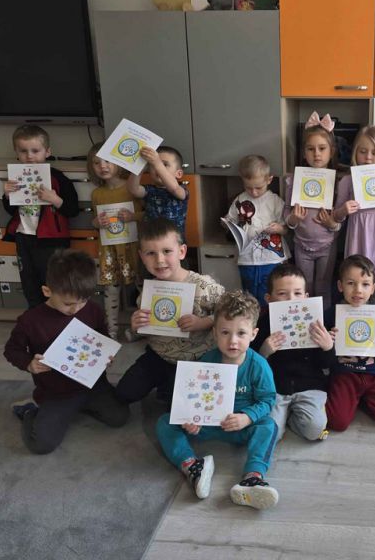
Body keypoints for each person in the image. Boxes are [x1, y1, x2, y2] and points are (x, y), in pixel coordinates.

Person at [155, 290, 280, 509]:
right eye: (225, 332)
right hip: (209, 425)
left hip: (241, 427)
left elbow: (268, 400)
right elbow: (194, 396)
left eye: (241, 333)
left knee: (269, 426)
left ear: (253, 334)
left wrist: (247, 417)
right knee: (165, 422)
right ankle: (192, 466)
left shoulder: (258, 365)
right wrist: (191, 419)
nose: (233, 341)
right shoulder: (208, 360)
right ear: (214, 333)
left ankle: (253, 477)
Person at [4, 249, 129, 454]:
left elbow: (102, 337)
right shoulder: (30, 320)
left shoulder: (93, 310)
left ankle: (80, 407)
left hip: (93, 386)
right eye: (68, 304)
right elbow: (11, 350)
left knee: (120, 417)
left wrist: (106, 356)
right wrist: (29, 363)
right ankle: (29, 410)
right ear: (47, 291)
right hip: (56, 393)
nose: (76, 309)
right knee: (41, 444)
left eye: (83, 301)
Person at [115, 218, 224, 404]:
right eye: (151, 253)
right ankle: (166, 385)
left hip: (196, 359)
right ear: (142, 257)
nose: (159, 260)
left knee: (180, 407)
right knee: (124, 393)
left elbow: (230, 314)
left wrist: (202, 323)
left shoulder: (204, 285)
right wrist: (136, 326)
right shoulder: (148, 291)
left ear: (181, 252)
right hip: (158, 356)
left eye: (167, 251)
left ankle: (169, 388)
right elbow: (143, 330)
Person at [252, 264, 334, 441]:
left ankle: (291, 419)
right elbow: (252, 363)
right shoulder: (263, 324)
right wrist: (264, 352)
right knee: (271, 434)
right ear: (269, 299)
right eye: (282, 293)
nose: (291, 299)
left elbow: (326, 364)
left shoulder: (316, 323)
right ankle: (283, 419)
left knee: (314, 429)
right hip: (276, 388)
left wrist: (328, 347)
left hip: (310, 386)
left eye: (297, 293)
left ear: (306, 297)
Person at [2, 125, 79, 308]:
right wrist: (6, 195)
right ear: (16, 153)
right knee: (29, 281)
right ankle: (35, 316)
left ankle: (56, 316)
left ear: (47, 152)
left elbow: (72, 209)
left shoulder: (58, 178)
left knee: (53, 281)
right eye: (23, 151)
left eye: (35, 151)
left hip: (51, 240)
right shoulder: (16, 177)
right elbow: (11, 210)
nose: (29, 156)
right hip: (24, 236)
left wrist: (55, 199)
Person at [324, 255, 375, 431]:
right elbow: (323, 357)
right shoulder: (331, 314)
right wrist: (328, 343)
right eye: (351, 283)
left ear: (373, 288)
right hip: (345, 372)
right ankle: (353, 399)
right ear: (340, 286)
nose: (358, 290)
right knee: (337, 422)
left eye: (365, 284)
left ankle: (361, 399)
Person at [87, 142, 144, 339]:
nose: (102, 166)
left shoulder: (131, 187)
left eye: (108, 161)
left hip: (134, 246)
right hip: (109, 249)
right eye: (96, 163)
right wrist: (96, 222)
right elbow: (95, 221)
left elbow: (147, 214)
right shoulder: (97, 194)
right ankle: (110, 332)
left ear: (119, 162)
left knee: (142, 288)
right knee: (110, 290)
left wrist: (133, 217)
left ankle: (141, 329)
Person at [284, 113, 341, 308]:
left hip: (327, 245)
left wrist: (332, 224)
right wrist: (293, 219)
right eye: (311, 149)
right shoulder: (294, 180)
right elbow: (287, 213)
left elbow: (341, 219)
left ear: (331, 152)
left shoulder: (337, 182)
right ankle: (305, 322)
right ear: (304, 153)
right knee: (303, 288)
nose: (317, 154)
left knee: (324, 287)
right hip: (301, 245)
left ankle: (324, 323)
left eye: (322, 148)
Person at [332, 126, 375, 296]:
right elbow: (336, 216)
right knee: (355, 284)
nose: (368, 157)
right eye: (363, 151)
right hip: (358, 239)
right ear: (355, 152)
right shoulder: (347, 180)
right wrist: (343, 210)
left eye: (374, 152)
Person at [224, 154, 289, 306]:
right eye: (248, 187)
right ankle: (253, 319)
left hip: (271, 259)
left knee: (272, 296)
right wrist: (227, 223)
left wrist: (278, 228)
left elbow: (286, 229)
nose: (253, 192)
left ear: (269, 180)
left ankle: (268, 320)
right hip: (247, 259)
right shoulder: (240, 199)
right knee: (249, 298)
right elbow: (230, 220)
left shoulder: (275, 201)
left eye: (258, 188)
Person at [127, 145, 189, 237]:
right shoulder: (149, 190)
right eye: (153, 165)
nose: (157, 168)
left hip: (174, 242)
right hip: (151, 239)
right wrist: (138, 168)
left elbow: (174, 189)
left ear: (179, 174)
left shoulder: (182, 190)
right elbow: (133, 189)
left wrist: (157, 163)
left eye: (165, 164)